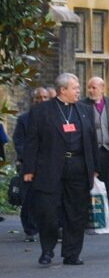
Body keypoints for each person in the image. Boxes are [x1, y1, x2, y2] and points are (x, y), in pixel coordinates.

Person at [22, 73, 98, 266]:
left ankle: (72, 253)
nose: (79, 91)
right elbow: (31, 142)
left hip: (78, 167)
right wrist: (29, 168)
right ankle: (47, 250)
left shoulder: (85, 110)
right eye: (75, 88)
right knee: (48, 212)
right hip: (49, 167)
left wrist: (94, 168)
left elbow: (92, 141)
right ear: (62, 90)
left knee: (76, 212)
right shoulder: (41, 111)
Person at [13, 87, 51, 241]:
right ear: (33, 100)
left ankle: (47, 228)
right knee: (29, 199)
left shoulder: (53, 118)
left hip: (48, 165)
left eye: (44, 97)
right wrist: (30, 160)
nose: (41, 100)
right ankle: (30, 230)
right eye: (38, 97)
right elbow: (19, 142)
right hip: (29, 166)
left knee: (47, 199)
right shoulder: (23, 119)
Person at [81, 77, 109, 203]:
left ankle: (106, 216)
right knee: (90, 186)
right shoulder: (82, 105)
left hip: (108, 152)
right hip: (91, 153)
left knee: (107, 186)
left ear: (103, 88)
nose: (90, 91)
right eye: (89, 88)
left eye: (94, 87)